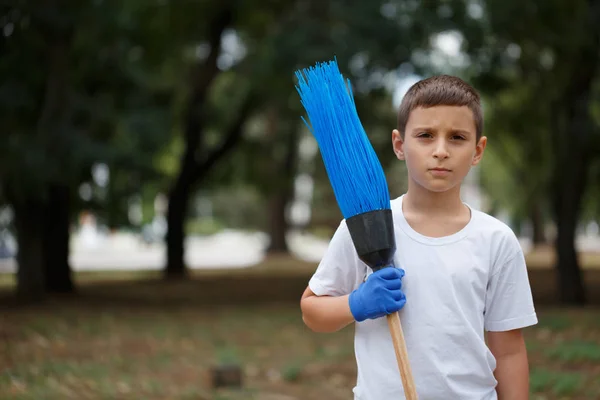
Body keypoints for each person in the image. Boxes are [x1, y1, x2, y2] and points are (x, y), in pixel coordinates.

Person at [300, 75, 538, 400]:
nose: (440, 151)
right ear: (400, 144)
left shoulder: (496, 240)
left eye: (457, 137)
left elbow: (509, 352)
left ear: (478, 150)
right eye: (425, 136)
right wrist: (357, 303)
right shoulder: (363, 227)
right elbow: (312, 312)